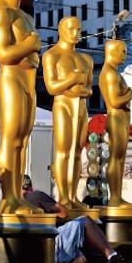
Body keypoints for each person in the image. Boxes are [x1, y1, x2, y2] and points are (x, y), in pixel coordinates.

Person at [0, 0, 42, 215]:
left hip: (28, 80)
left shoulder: (25, 16)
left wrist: (31, 49)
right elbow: (3, 53)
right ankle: (8, 197)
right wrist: (31, 45)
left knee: (21, 140)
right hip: (11, 78)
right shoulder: (1, 12)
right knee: (10, 139)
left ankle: (16, 196)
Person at [22, 176, 132, 263]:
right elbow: (64, 213)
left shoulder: (14, 204)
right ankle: (114, 259)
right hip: (50, 248)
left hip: (32, 253)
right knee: (85, 221)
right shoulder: (35, 195)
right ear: (31, 186)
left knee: (81, 260)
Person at [42, 16, 93, 210]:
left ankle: (73, 196)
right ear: (61, 30)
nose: (76, 33)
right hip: (63, 105)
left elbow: (89, 89)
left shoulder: (85, 59)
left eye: (78, 30)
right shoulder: (51, 56)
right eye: (71, 29)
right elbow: (51, 87)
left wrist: (77, 88)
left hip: (80, 107)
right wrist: (73, 79)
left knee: (78, 152)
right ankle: (63, 196)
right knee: (63, 150)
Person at [99, 39, 132, 208]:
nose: (125, 55)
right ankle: (115, 197)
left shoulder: (114, 73)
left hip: (120, 118)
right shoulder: (110, 74)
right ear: (112, 51)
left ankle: (117, 195)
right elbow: (114, 101)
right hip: (116, 117)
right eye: (123, 51)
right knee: (116, 158)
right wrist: (129, 94)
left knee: (119, 159)